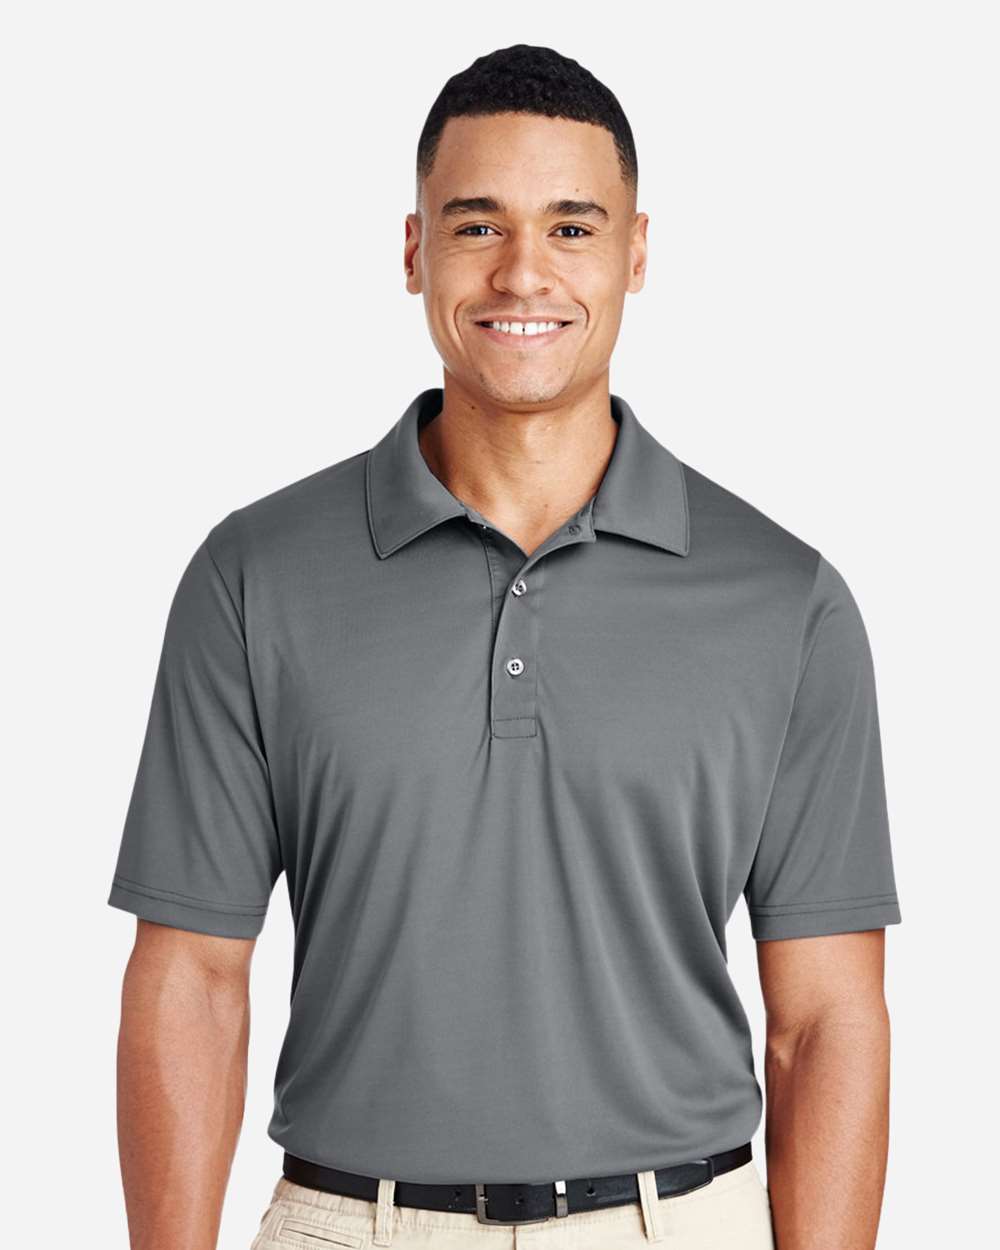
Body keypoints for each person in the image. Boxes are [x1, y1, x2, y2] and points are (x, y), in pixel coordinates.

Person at [107, 43, 901, 1250]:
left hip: (677, 1224)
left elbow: (826, 1020)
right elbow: (191, 978)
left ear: (636, 253)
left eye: (572, 228)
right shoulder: (254, 574)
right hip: (347, 1223)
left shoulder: (785, 601)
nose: (523, 270)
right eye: (476, 225)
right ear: (413, 250)